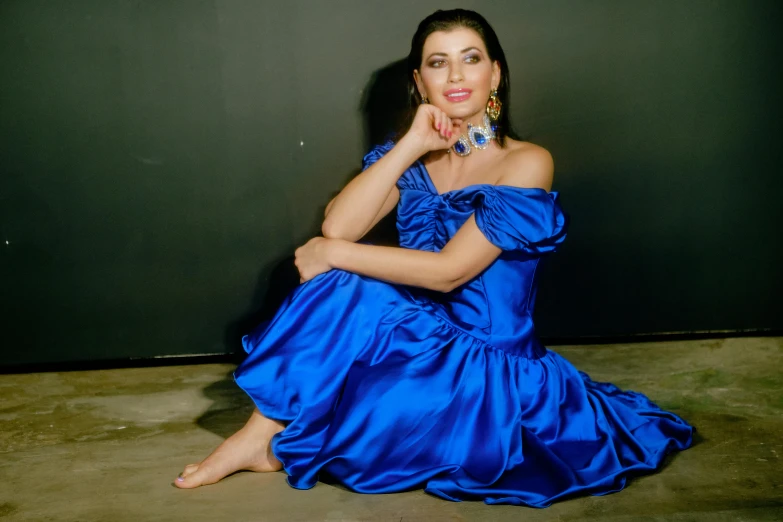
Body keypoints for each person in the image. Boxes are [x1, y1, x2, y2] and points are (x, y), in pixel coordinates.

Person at [174, 9, 693, 507]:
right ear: (420, 82)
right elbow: (339, 224)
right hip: (421, 348)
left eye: (471, 58)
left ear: (496, 74)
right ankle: (256, 439)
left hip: (490, 368)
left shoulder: (527, 161)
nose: (456, 74)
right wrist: (412, 143)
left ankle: (265, 443)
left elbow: (450, 273)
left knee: (345, 276)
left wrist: (332, 253)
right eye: (437, 62)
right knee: (343, 281)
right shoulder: (416, 159)